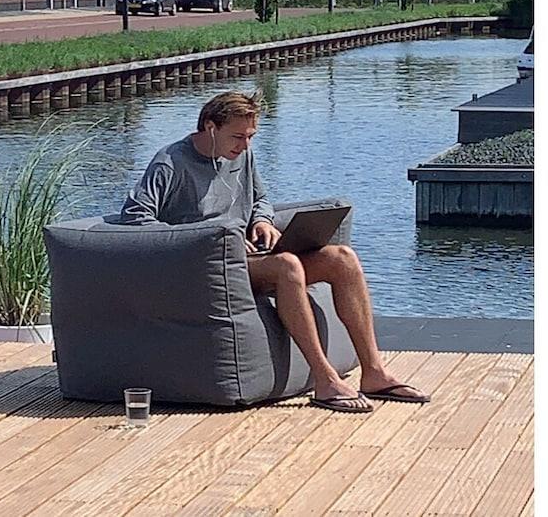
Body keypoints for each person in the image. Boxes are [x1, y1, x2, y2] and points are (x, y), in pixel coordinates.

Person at [120, 90, 430, 412]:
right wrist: (213, 237)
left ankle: (375, 373)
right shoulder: (171, 162)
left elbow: (260, 199)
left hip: (247, 257)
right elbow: (136, 217)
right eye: (237, 137)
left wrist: (263, 221)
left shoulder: (241, 156)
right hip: (205, 265)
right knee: (286, 266)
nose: (245, 145)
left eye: (250, 137)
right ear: (210, 127)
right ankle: (325, 380)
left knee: (342, 259)